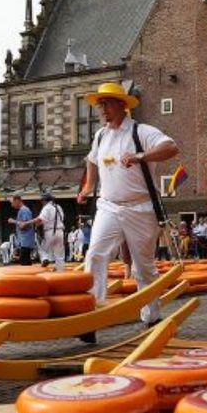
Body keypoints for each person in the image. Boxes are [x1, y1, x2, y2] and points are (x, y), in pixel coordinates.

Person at [76, 82, 179, 328]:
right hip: (109, 206)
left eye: (107, 103)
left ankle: (151, 316)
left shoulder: (140, 132)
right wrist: (89, 187)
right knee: (95, 255)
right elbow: (91, 161)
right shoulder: (100, 136)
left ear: (122, 105)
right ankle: (92, 315)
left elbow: (171, 147)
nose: (102, 109)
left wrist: (141, 156)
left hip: (140, 208)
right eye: (100, 104)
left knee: (143, 266)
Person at [32, 191, 65, 271]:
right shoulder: (58, 207)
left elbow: (40, 219)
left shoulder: (46, 208)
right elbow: (62, 218)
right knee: (59, 253)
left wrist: (31, 223)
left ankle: (45, 259)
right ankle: (59, 270)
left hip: (50, 231)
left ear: (44, 200)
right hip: (60, 231)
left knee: (43, 248)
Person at [7, 195, 35, 265]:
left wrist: (14, 221)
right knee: (26, 262)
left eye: (12, 203)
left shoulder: (24, 210)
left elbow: (25, 224)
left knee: (24, 263)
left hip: (26, 241)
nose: (12, 205)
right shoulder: (23, 210)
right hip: (24, 241)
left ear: (17, 201)